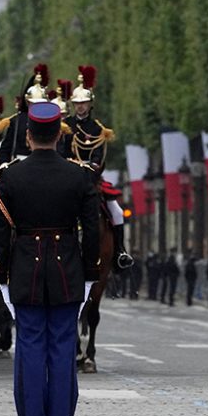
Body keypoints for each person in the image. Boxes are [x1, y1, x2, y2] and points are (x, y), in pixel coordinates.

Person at [0, 101, 100, 416]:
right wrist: (89, 272)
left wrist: (1, 273)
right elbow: (93, 231)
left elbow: (1, 235)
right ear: (59, 134)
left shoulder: (9, 176)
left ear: (27, 135)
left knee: (31, 350)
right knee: (63, 350)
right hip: (67, 270)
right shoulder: (80, 175)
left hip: (25, 269)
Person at [59, 65, 132, 272]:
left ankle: (120, 252)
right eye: (77, 104)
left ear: (90, 104)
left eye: (84, 103)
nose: (80, 107)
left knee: (117, 211)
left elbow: (99, 156)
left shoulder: (99, 129)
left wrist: (91, 166)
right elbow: (62, 152)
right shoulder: (66, 126)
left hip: (92, 176)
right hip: (69, 175)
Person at [0, 64, 49, 164]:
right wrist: (5, 166)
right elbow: (5, 149)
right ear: (28, 102)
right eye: (33, 103)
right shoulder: (16, 121)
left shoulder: (50, 120)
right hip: (20, 166)